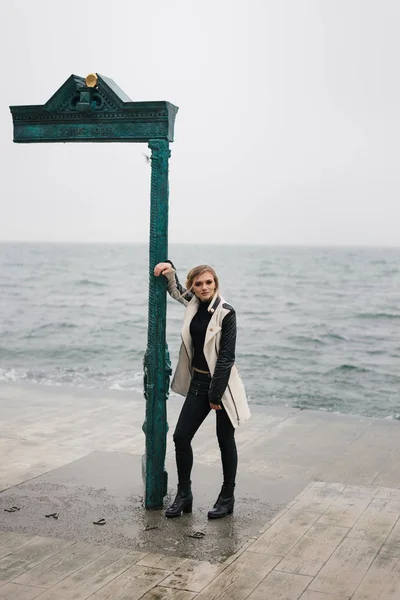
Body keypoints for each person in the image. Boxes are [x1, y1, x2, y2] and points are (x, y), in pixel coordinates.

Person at [154, 260, 251, 519]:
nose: (205, 287)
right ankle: (184, 494)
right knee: (181, 437)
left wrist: (215, 394)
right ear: (193, 287)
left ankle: (227, 497)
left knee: (225, 440)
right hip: (198, 381)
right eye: (199, 283)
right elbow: (175, 290)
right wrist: (169, 268)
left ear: (216, 283)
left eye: (209, 282)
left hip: (223, 386)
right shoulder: (194, 304)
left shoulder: (226, 312)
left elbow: (226, 357)